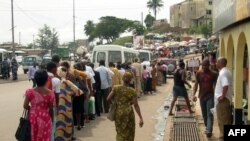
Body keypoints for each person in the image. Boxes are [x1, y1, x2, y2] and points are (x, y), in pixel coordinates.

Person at [107, 72, 144, 141]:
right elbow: (135, 105)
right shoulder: (132, 91)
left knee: (120, 132)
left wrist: (114, 104)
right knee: (130, 131)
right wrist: (140, 118)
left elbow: (108, 98)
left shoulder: (116, 88)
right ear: (130, 80)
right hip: (128, 113)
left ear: (122, 79)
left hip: (118, 112)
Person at [23, 70, 55, 141]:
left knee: (33, 135)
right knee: (44, 135)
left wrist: (32, 109)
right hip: (45, 117)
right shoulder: (50, 93)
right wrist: (52, 120)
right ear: (47, 80)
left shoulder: (29, 92)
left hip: (32, 116)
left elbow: (25, 106)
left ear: (35, 79)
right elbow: (51, 109)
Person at [55, 66, 83, 141]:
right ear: (66, 74)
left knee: (59, 121)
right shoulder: (67, 82)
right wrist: (71, 94)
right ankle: (68, 137)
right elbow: (79, 92)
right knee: (68, 121)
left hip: (58, 105)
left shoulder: (56, 82)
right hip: (67, 105)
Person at [193, 59, 218, 138]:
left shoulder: (214, 74)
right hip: (201, 96)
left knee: (209, 114)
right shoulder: (198, 73)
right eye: (203, 65)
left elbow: (216, 86)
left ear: (209, 65)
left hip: (210, 96)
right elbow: (196, 84)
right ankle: (208, 127)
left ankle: (209, 130)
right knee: (204, 114)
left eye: (206, 65)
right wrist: (194, 94)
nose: (204, 67)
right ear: (201, 65)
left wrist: (216, 96)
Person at [214, 57, 233, 139]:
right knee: (224, 120)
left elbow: (225, 85)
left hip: (223, 101)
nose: (216, 63)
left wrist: (222, 96)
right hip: (224, 101)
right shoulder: (225, 71)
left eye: (217, 62)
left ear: (221, 63)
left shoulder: (223, 73)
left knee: (222, 121)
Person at [46, 62, 61, 141]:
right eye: (56, 68)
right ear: (53, 69)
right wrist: (57, 107)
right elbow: (57, 95)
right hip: (52, 105)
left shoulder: (42, 76)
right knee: (52, 124)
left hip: (41, 106)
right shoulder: (56, 80)